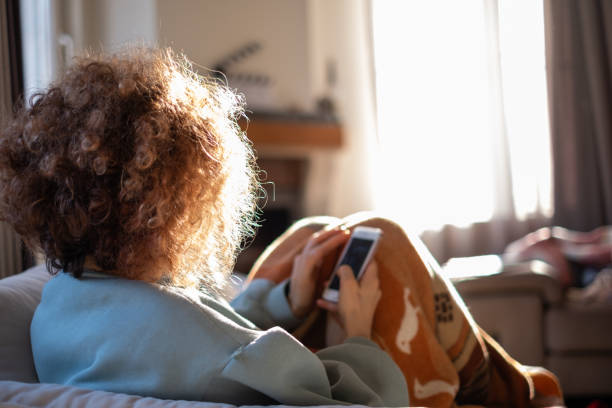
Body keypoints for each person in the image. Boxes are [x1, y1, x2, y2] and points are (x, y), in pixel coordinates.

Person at [0, 48, 563, 407]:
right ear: (164, 215)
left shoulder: (62, 305)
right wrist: (363, 332)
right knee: (382, 237)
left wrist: (284, 303)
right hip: (372, 386)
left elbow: (193, 338)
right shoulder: (204, 345)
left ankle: (512, 384)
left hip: (222, 352)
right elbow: (344, 397)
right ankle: (519, 392)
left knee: (316, 233)